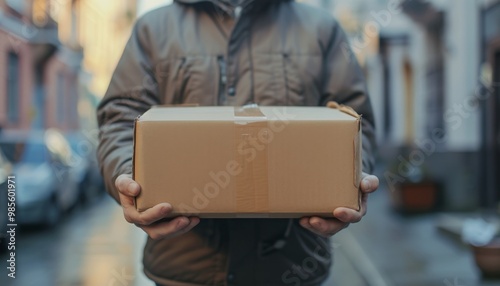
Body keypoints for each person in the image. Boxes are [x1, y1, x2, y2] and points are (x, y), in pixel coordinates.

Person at [97, 0, 379, 285]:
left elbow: (355, 122)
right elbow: (120, 120)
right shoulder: (153, 29)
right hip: (184, 269)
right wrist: (132, 177)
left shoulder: (320, 28)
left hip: (292, 269)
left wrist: (349, 181)